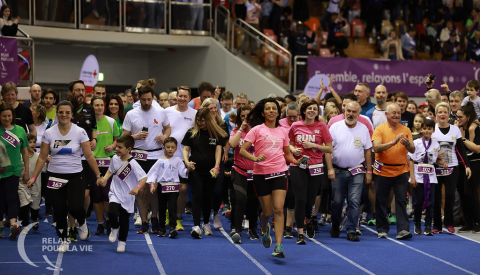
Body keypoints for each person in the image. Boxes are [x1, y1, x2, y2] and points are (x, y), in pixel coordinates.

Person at [27, 101, 102, 252]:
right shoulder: (49, 133)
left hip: (75, 175)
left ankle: (82, 222)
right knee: (59, 210)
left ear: (72, 114)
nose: (64, 115)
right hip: (54, 175)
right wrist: (34, 177)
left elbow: (88, 155)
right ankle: (63, 240)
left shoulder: (80, 132)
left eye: (67, 112)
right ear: (57, 114)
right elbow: (42, 157)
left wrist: (99, 175)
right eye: (61, 112)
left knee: (75, 207)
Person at [240, 98, 300, 258]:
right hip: (261, 175)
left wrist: (295, 161)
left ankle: (279, 246)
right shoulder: (256, 130)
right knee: (266, 212)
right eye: (268, 108)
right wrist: (255, 158)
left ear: (278, 112)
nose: (272, 111)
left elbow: (287, 154)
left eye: (274, 108)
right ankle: (264, 227)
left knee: (279, 209)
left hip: (280, 173)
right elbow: (242, 151)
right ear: (263, 112)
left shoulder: (282, 131)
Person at [122, 83, 171, 235]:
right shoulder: (131, 114)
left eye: (149, 99)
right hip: (138, 155)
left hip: (156, 155)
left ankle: (154, 217)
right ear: (139, 98)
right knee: (141, 191)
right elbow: (124, 136)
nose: (147, 102)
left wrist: (164, 136)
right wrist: (134, 136)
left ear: (153, 97)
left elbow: (168, 128)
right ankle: (144, 220)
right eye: (144, 100)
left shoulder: (161, 111)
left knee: (153, 190)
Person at [289, 100, 333, 244]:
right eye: (309, 108)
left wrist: (314, 145)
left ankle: (308, 220)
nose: (312, 111)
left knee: (310, 201)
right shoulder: (295, 125)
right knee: (300, 199)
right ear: (303, 111)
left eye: (314, 109)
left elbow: (330, 148)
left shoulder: (322, 126)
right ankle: (300, 233)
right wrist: (293, 149)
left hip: (316, 167)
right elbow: (288, 143)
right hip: (298, 165)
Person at [327, 101, 372, 241]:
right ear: (344, 111)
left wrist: (369, 171)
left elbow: (368, 151)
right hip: (337, 170)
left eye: (354, 112)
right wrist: (329, 168)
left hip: (357, 170)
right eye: (349, 111)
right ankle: (335, 224)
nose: (351, 114)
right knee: (337, 201)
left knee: (354, 201)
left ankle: (351, 229)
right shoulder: (334, 127)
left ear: (359, 114)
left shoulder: (363, 128)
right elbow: (327, 150)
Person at [372, 103, 415, 239]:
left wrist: (408, 144)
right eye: (393, 113)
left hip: (401, 170)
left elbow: (413, 150)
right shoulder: (379, 129)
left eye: (399, 112)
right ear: (386, 114)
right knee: (381, 201)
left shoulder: (406, 129)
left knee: (401, 200)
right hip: (382, 171)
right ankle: (382, 229)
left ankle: (403, 230)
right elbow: (376, 148)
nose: (396, 115)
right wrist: (393, 142)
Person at [182, 107, 226, 239]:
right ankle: (196, 225)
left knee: (208, 197)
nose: (200, 123)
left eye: (203, 120)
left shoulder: (216, 134)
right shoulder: (192, 133)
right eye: (198, 120)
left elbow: (218, 151)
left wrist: (217, 166)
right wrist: (187, 162)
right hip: (195, 170)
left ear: (208, 120)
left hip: (210, 170)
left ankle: (206, 223)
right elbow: (185, 150)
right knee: (197, 195)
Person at [100, 135, 147, 252]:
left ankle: (122, 241)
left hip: (128, 195)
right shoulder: (115, 158)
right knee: (111, 212)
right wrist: (105, 178)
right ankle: (114, 228)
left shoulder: (133, 163)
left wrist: (137, 188)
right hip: (115, 192)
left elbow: (144, 178)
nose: (117, 149)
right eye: (116, 147)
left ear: (128, 149)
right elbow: (110, 170)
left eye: (120, 147)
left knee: (124, 220)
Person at [65, 80, 97, 241]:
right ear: (70, 92)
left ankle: (80, 220)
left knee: (85, 196)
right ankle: (71, 227)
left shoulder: (90, 108)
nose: (80, 93)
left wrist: (94, 140)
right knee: (72, 196)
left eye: (83, 90)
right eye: (77, 90)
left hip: (85, 158)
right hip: (69, 159)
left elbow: (94, 128)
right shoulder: (65, 109)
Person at [431, 102, 471, 234]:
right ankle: (436, 224)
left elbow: (460, 150)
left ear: (449, 114)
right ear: (436, 115)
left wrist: (467, 166)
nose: (442, 115)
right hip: (436, 167)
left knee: (450, 195)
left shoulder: (455, 129)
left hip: (452, 167)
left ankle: (449, 223)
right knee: (436, 196)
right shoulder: (432, 129)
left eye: (445, 112)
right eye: (440, 112)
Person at [164, 86, 197, 231]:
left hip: (185, 158)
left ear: (189, 99)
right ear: (176, 97)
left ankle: (178, 218)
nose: (182, 98)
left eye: (185, 96)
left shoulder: (195, 114)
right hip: (168, 157)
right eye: (180, 96)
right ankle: (166, 215)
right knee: (168, 189)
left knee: (183, 189)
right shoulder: (167, 112)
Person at [147, 137, 191, 238]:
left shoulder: (178, 160)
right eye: (168, 147)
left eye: (172, 147)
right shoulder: (159, 161)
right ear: (163, 148)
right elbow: (153, 175)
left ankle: (172, 228)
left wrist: (189, 169)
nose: (170, 149)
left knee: (172, 207)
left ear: (176, 149)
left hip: (174, 187)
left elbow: (183, 173)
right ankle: (162, 228)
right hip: (162, 186)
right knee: (162, 208)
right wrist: (152, 186)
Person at [408, 119, 445, 236]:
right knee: (418, 202)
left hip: (431, 176)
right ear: (421, 129)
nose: (426, 131)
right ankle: (417, 223)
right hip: (418, 176)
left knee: (431, 202)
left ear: (433, 130)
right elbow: (412, 160)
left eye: (429, 129)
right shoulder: (416, 142)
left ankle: (428, 225)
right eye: (424, 128)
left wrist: (441, 162)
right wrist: (412, 177)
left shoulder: (435, 143)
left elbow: (434, 159)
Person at [229, 105, 260, 243]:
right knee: (240, 200)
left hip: (256, 172)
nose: (246, 118)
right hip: (239, 171)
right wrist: (241, 129)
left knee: (254, 202)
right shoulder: (236, 131)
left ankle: (252, 228)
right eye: (243, 116)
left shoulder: (259, 131)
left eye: (249, 116)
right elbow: (232, 144)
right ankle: (236, 229)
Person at [91, 97, 120, 236]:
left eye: (101, 105)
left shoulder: (111, 121)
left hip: (108, 162)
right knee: (96, 196)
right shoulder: (89, 122)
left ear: (104, 106)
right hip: (93, 163)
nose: (99, 107)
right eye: (96, 105)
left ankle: (109, 221)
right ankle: (100, 224)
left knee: (107, 194)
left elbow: (117, 138)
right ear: (92, 106)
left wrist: (113, 146)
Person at [0, 103, 29, 239]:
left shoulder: (20, 130)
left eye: (9, 115)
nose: (7, 118)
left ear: (13, 116)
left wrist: (27, 171)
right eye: (4, 116)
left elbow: (25, 152)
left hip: (14, 170)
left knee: (12, 198)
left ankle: (13, 225)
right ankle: (0, 226)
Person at [455, 103, 480, 233]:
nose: (458, 119)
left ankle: (477, 222)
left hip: (475, 163)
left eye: (460, 117)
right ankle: (468, 222)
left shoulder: (476, 129)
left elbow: (477, 149)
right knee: (462, 194)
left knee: (470, 193)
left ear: (468, 116)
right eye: (457, 116)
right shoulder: (456, 128)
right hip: (460, 164)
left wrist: (463, 138)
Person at [18, 133, 45, 234]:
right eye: (30, 142)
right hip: (22, 185)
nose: (33, 144)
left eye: (34, 142)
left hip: (36, 186)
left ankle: (34, 219)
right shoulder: (19, 157)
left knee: (35, 207)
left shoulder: (39, 157)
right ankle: (25, 225)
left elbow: (45, 169)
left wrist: (48, 161)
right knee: (24, 206)